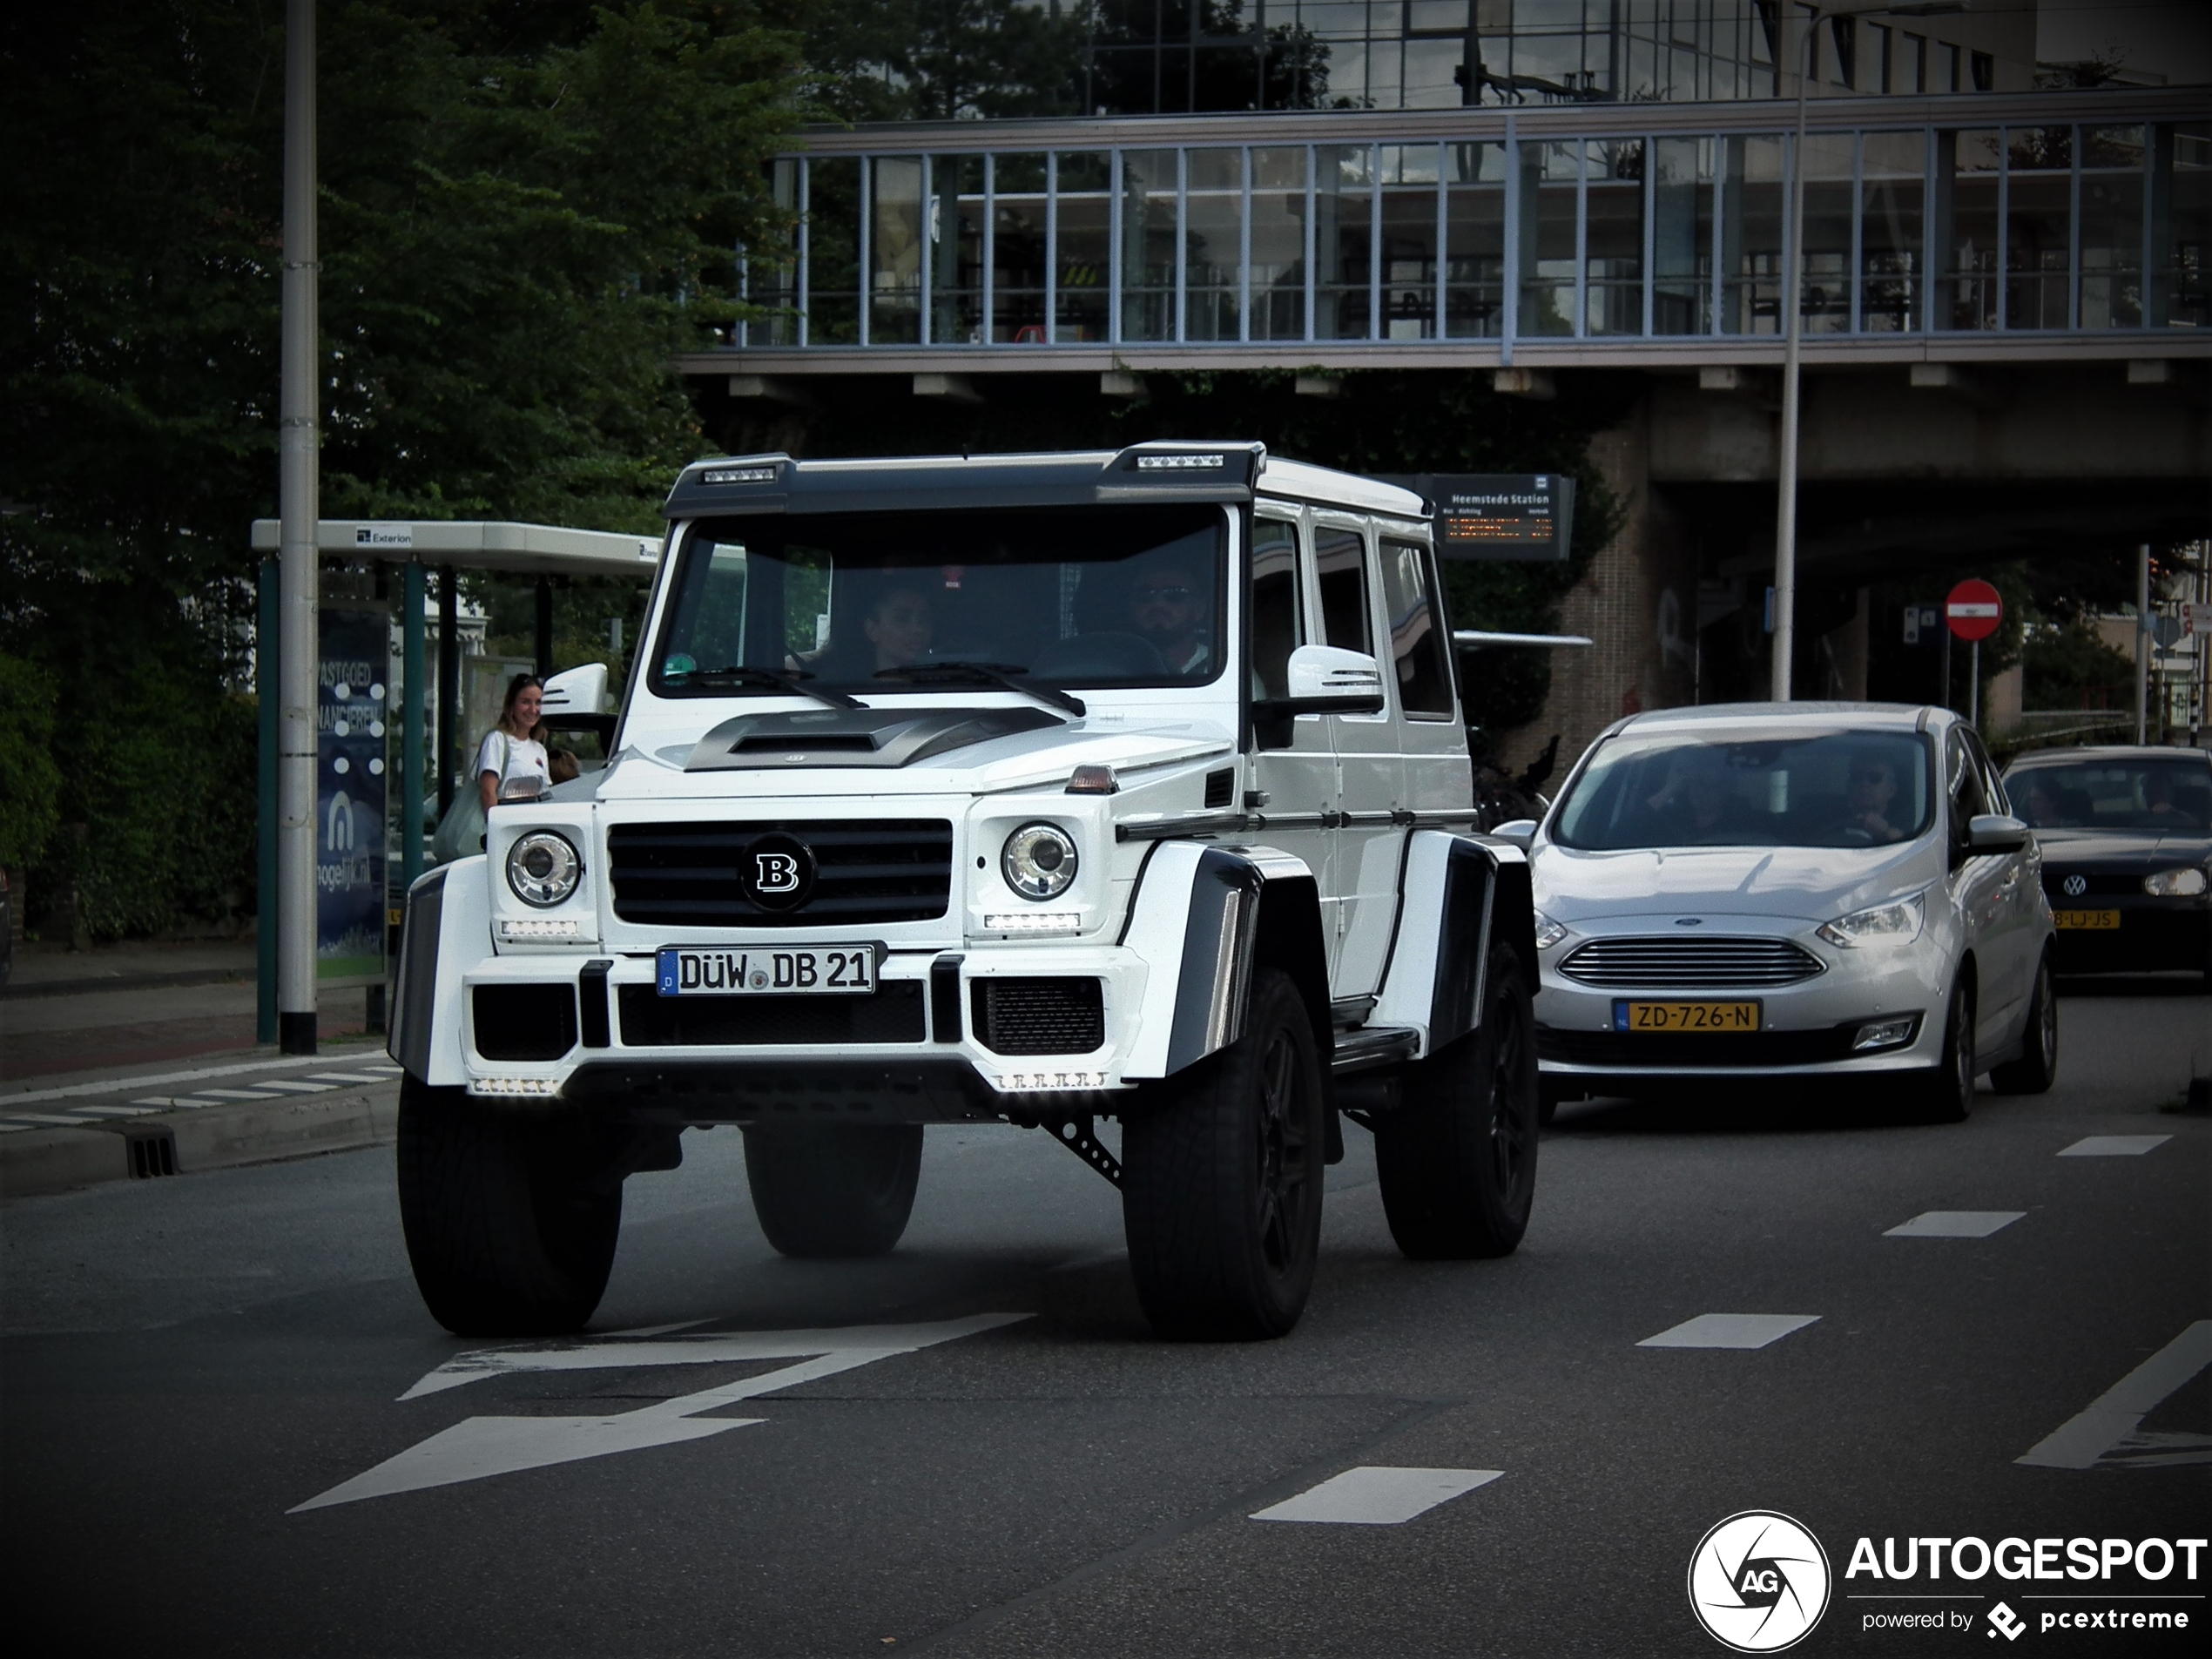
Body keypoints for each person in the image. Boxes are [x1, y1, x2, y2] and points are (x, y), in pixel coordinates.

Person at [1128, 554, 1212, 675]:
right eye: (1146, 594)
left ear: (1200, 608)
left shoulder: (1221, 668)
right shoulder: (1111, 667)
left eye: (1175, 594)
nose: (1158, 604)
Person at [476, 674, 550, 811]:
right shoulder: (497, 740)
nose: (533, 709)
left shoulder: (539, 749)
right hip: (502, 825)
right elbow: (487, 793)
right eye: (525, 702)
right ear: (511, 705)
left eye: (538, 702)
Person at [1642, 747, 1743, 841]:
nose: (1699, 790)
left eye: (1708, 784)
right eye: (1694, 782)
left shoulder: (1742, 824)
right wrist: (1668, 790)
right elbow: (1633, 826)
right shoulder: (1671, 819)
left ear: (1727, 787)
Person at [1841, 751, 1909, 844]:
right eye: (1856, 777)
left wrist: (1886, 832)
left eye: (1874, 777)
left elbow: (1910, 847)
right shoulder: (1830, 817)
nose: (1864, 784)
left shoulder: (1911, 822)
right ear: (1848, 786)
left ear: (1891, 789)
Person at [862, 583, 934, 671]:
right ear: (872, 630)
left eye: (924, 620)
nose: (919, 629)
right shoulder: (849, 683)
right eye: (901, 619)